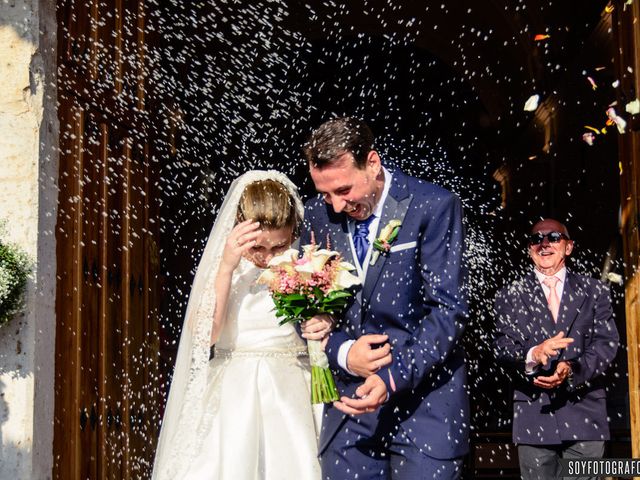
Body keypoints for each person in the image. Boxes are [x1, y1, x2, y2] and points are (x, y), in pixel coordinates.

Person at [301, 117, 470, 479]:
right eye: (325, 193)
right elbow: (308, 309)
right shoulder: (315, 216)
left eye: (344, 190)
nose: (334, 205)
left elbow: (449, 310)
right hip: (349, 412)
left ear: (373, 163)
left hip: (426, 412)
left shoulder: (433, 206)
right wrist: (345, 353)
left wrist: (392, 376)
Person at [152, 171, 328, 480]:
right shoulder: (228, 270)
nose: (268, 258)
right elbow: (206, 335)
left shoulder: (305, 264)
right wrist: (226, 267)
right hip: (233, 393)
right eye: (257, 249)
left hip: (291, 393)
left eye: (279, 247)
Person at [493, 218, 619, 480]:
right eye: (536, 239)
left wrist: (573, 369)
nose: (544, 244)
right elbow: (503, 347)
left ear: (569, 247)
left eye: (553, 237)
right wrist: (532, 355)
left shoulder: (595, 291)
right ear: (529, 250)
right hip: (534, 415)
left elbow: (606, 344)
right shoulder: (509, 294)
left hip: (585, 416)